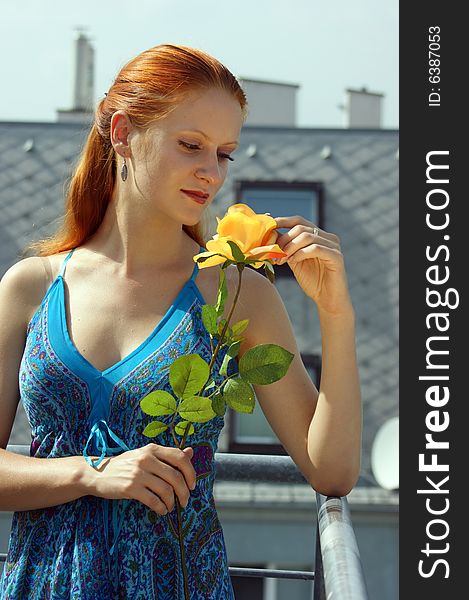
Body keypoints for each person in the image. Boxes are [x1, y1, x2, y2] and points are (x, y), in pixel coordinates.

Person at [0, 43, 362, 599]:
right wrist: (90, 472)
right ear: (122, 133)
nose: (211, 172)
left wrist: (336, 314)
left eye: (225, 153)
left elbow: (330, 472)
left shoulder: (239, 295)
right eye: (191, 145)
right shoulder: (30, 285)